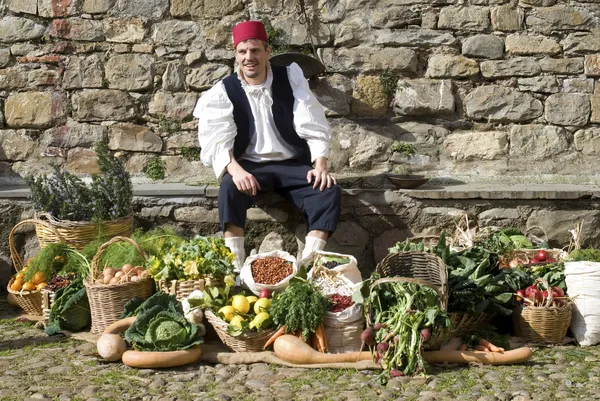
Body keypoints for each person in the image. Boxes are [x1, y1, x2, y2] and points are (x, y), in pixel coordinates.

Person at [193, 20, 341, 271]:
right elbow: (217, 138)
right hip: (251, 168)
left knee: (327, 190)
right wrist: (235, 169)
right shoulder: (223, 91)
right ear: (236, 54)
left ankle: (308, 264)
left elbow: (312, 119)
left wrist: (321, 165)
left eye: (255, 50)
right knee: (229, 187)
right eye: (242, 52)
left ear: (267, 52)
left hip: (291, 165)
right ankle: (236, 269)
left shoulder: (290, 78)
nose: (249, 57)